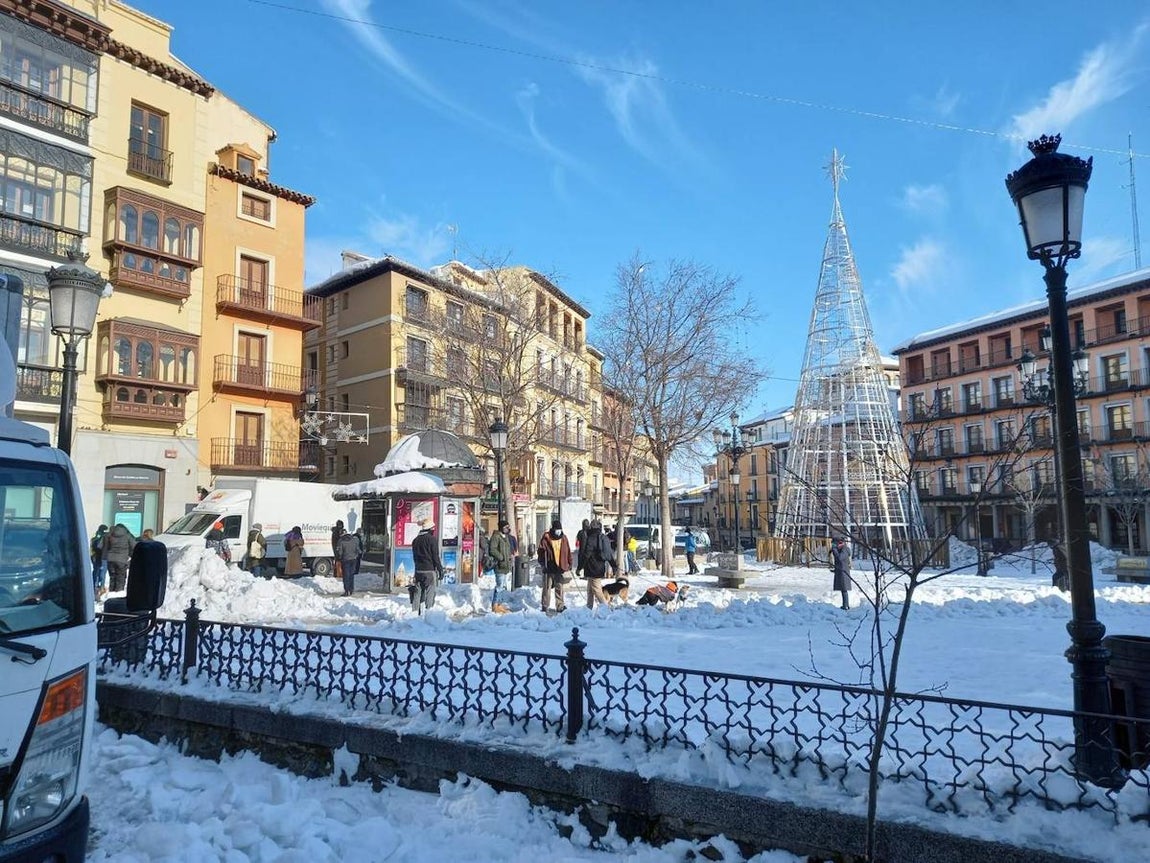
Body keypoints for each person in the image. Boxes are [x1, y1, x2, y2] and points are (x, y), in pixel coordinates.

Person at [577, 519, 617, 610]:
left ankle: (605, 607)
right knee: (590, 589)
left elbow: (586, 554)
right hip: (600, 567)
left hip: (592, 568)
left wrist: (579, 567)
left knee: (596, 589)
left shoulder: (591, 538)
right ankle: (589, 607)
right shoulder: (602, 537)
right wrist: (613, 566)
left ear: (591, 527)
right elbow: (609, 554)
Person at [537, 518, 571, 613]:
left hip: (560, 567)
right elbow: (540, 551)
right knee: (547, 588)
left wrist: (569, 562)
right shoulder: (546, 537)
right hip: (549, 567)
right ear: (553, 529)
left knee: (559, 587)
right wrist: (543, 563)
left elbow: (567, 551)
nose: (558, 531)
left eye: (560, 529)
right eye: (557, 529)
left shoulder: (564, 538)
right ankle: (545, 605)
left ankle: (560, 605)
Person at [411, 517, 444, 614]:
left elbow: (414, 556)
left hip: (418, 570)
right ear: (430, 529)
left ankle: (414, 612)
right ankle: (429, 613)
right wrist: (440, 569)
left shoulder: (415, 540)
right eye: (433, 528)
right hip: (429, 570)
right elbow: (435, 556)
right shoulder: (432, 540)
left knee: (417, 592)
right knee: (430, 592)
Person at [488, 519, 513, 611]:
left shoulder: (505, 537)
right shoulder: (496, 537)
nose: (508, 529)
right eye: (506, 527)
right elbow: (492, 549)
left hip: (505, 565)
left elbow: (507, 550)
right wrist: (501, 557)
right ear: (502, 528)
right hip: (499, 565)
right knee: (499, 586)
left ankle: (499, 604)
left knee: (503, 586)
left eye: (508, 527)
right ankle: (495, 604)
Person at [102, 523, 135, 592]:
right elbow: (134, 546)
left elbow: (102, 546)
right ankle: (118, 592)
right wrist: (130, 555)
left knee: (112, 577)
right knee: (121, 577)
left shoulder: (109, 535)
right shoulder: (127, 536)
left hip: (110, 559)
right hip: (122, 560)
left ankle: (111, 592)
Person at [830, 537, 852, 610]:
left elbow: (840, 558)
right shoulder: (841, 550)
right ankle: (845, 604)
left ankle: (846, 605)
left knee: (844, 589)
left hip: (844, 572)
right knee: (843, 589)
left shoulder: (845, 549)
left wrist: (835, 550)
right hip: (840, 571)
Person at [337, 529, 360, 596]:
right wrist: (356, 555)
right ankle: (351, 589)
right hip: (353, 559)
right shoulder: (354, 539)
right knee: (351, 575)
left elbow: (340, 552)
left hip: (345, 560)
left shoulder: (341, 541)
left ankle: (346, 591)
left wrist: (340, 557)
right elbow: (357, 549)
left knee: (346, 575)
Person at [90, 524, 108, 599]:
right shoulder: (104, 537)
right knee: (102, 573)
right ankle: (101, 587)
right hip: (102, 557)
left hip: (95, 556)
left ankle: (95, 586)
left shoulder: (95, 537)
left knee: (96, 572)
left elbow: (92, 546)